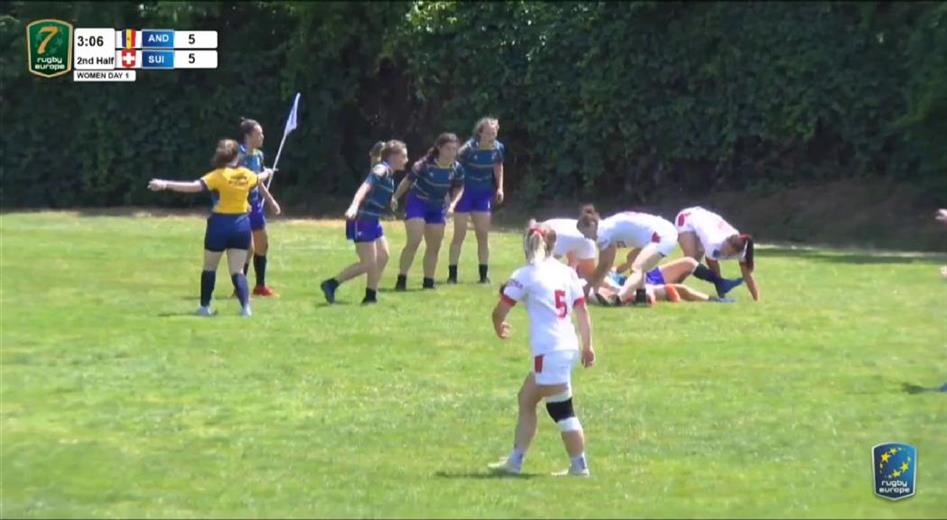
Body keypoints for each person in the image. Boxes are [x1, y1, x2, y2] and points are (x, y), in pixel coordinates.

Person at [488, 220, 596, 477]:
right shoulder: (566, 272)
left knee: (561, 410)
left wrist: (498, 325)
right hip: (566, 346)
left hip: (549, 351)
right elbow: (582, 310)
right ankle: (515, 461)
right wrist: (588, 345)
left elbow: (500, 311)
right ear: (552, 246)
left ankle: (580, 467)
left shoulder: (524, 274)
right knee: (526, 398)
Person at [148, 139, 272, 317]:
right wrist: (267, 173)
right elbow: (259, 178)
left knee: (210, 267)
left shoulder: (217, 175)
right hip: (242, 225)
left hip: (220, 225)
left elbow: (193, 187)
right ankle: (246, 308)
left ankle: (205, 307)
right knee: (237, 270)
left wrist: (165, 184)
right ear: (237, 156)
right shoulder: (247, 174)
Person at [320, 140, 409, 304]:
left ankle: (370, 295)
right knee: (367, 263)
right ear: (394, 156)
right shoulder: (381, 169)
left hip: (373, 221)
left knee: (383, 256)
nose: (406, 159)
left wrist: (391, 201)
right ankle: (331, 284)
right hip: (361, 220)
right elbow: (365, 186)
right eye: (403, 156)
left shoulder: (388, 173)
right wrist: (354, 206)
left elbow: (376, 190)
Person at [391, 133, 465, 291]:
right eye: (448, 149)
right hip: (417, 202)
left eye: (454, 149)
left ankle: (428, 281)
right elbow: (407, 181)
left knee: (434, 246)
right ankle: (402, 278)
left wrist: (452, 205)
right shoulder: (424, 164)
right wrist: (395, 197)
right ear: (439, 148)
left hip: (437, 207)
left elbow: (459, 188)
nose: (452, 153)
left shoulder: (457, 168)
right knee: (414, 240)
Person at [577, 205, 679, 306]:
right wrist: (594, 289)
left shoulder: (601, 233)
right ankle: (642, 299)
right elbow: (607, 265)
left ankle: (618, 299)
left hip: (662, 236)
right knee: (633, 261)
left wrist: (587, 288)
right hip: (662, 229)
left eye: (585, 232)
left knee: (637, 268)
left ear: (592, 224)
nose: (586, 237)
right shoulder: (607, 227)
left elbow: (603, 266)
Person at [448, 117, 505, 284]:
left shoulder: (498, 148)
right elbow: (454, 167)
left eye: (494, 133)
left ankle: (483, 275)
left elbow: (498, 166)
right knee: (459, 235)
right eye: (488, 133)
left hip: (483, 195)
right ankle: (452, 275)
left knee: (483, 235)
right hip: (464, 194)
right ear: (480, 132)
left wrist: (500, 187)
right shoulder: (468, 149)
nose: (491, 136)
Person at [675, 206, 759, 301]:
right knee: (689, 260)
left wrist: (756, 299)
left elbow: (747, 275)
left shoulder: (741, 249)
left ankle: (672, 288)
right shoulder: (713, 243)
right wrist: (722, 292)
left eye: (729, 253)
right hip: (687, 218)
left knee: (692, 265)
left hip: (702, 222)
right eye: (725, 249)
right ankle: (669, 288)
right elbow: (715, 271)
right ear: (725, 241)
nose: (725, 253)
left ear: (736, 253)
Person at [237, 118, 281, 297]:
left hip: (254, 205)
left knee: (263, 244)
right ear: (248, 136)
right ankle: (239, 288)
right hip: (239, 206)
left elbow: (258, 181)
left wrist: (271, 201)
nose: (262, 136)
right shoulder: (238, 156)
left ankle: (260, 286)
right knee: (247, 249)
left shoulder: (259, 155)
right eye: (259, 133)